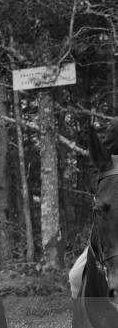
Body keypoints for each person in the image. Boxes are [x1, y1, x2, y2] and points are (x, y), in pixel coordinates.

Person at [69, 121, 118, 297]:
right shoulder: (115, 127)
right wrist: (103, 188)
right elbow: (96, 163)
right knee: (75, 276)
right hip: (112, 210)